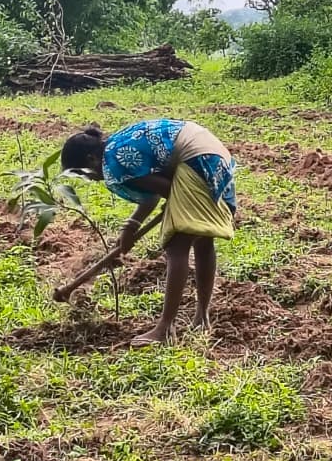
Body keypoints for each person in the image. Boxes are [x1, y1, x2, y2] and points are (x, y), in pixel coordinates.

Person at [60, 119, 237, 346]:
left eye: (85, 174)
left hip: (196, 160)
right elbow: (153, 192)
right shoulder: (116, 145)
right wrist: (131, 226)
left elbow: (167, 189)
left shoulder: (112, 162)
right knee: (202, 240)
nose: (91, 180)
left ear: (91, 160)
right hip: (212, 154)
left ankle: (165, 328)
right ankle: (202, 318)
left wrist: (173, 205)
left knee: (177, 244)